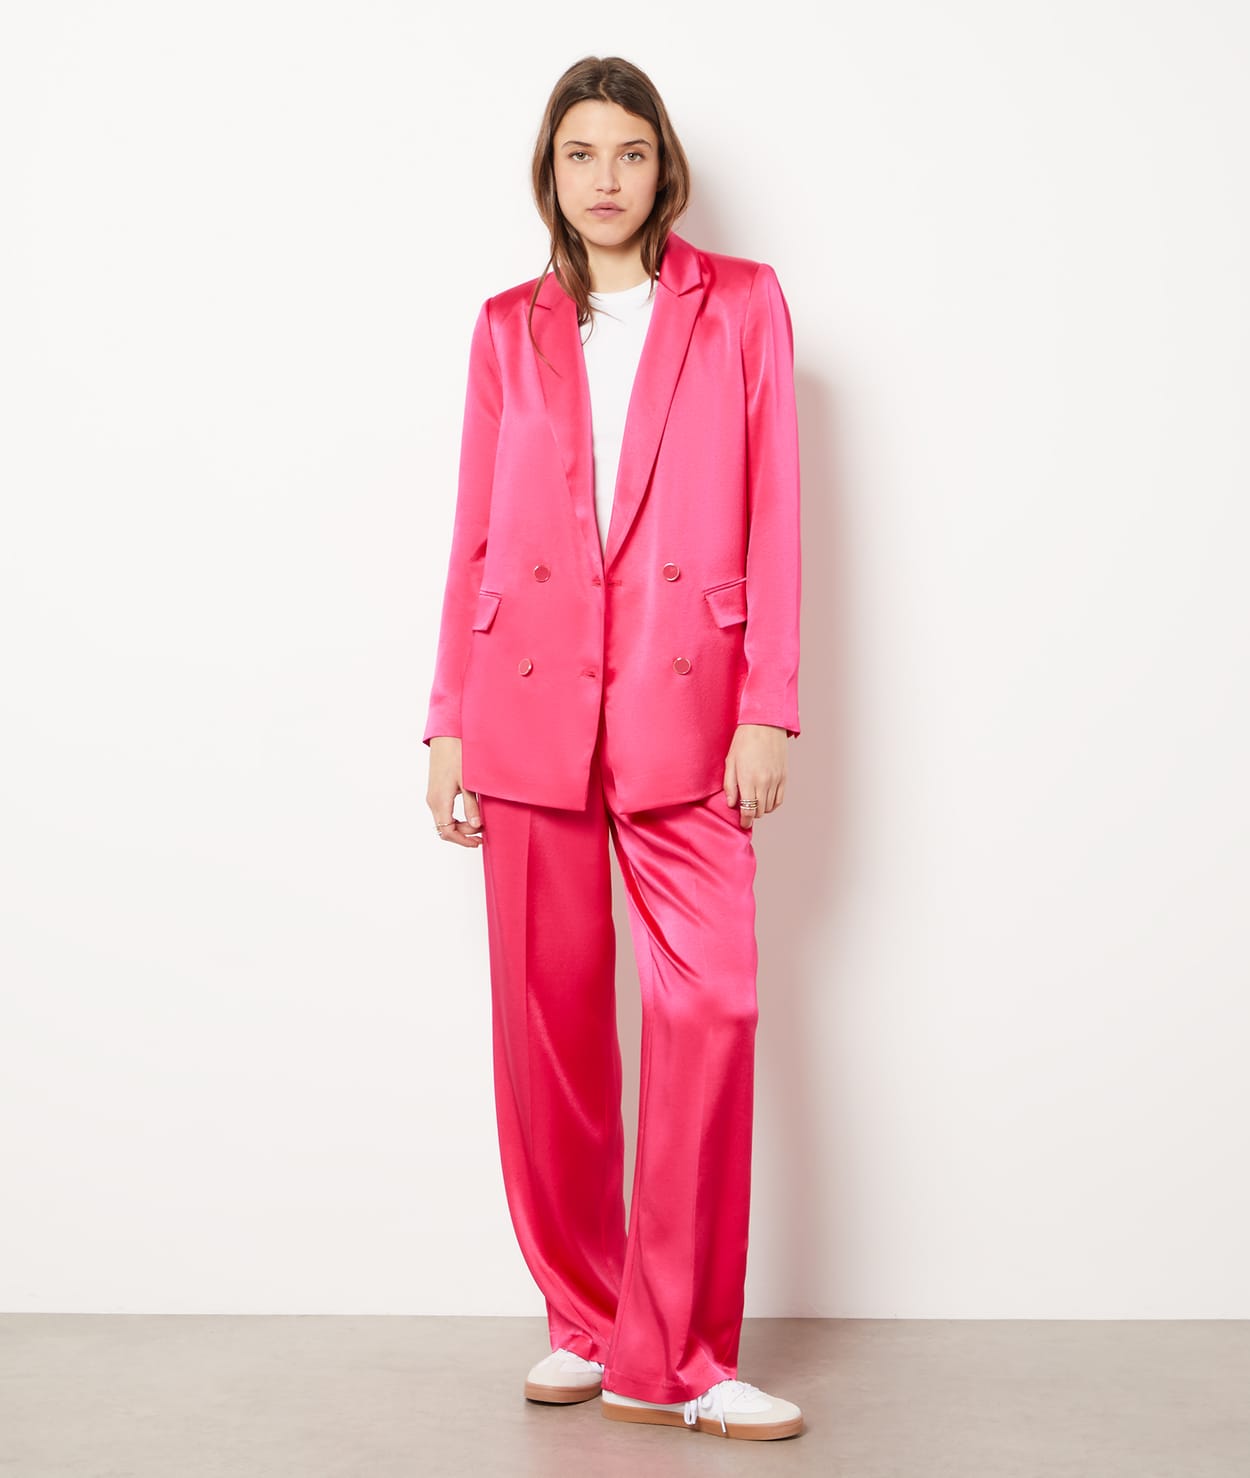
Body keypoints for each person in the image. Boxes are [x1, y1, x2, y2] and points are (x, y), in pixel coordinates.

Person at [422, 55, 803, 1442]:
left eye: (628, 152)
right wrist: (448, 718)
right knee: (552, 1037)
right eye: (579, 153)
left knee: (709, 1010)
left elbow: (775, 508)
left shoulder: (740, 304)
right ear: (550, 171)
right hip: (526, 709)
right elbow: (474, 533)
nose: (605, 178)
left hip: (688, 711)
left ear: (662, 167)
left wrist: (766, 702)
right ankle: (586, 1320)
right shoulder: (504, 328)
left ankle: (680, 1354)